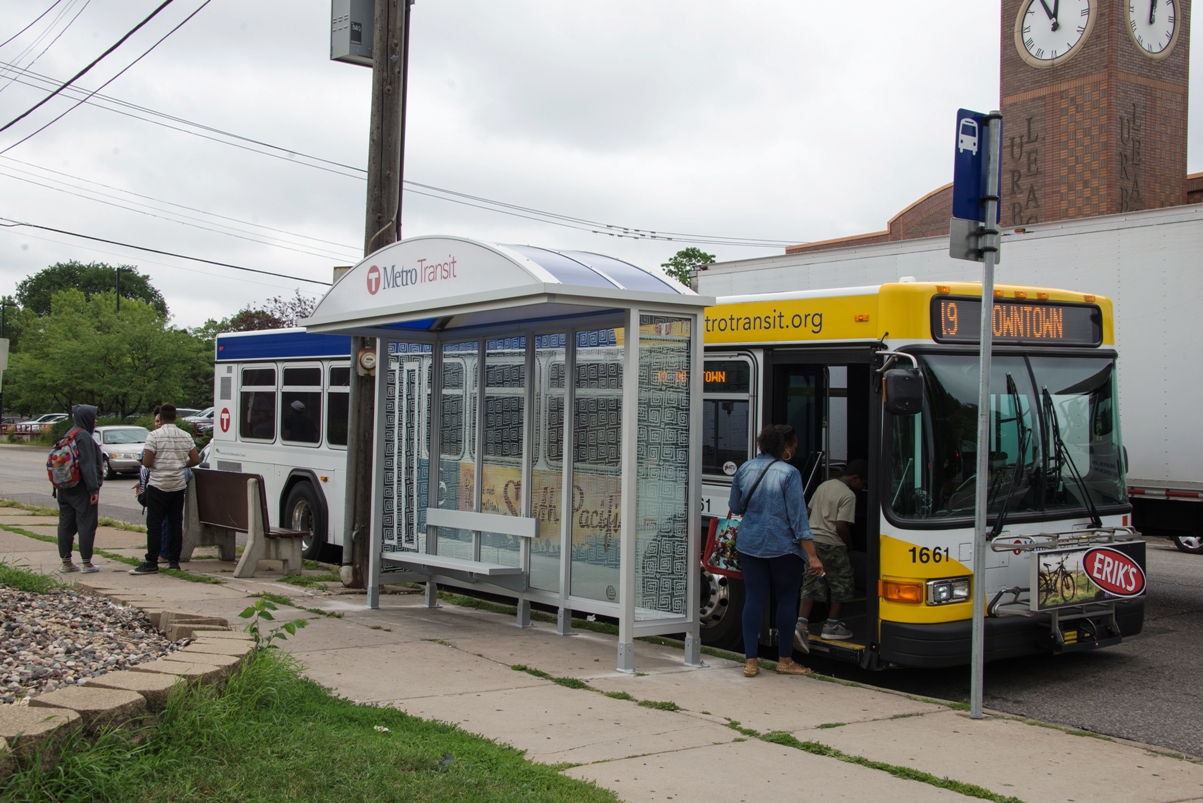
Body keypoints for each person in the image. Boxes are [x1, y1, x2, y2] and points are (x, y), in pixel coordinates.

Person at [729, 424, 824, 678]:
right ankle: (784, 661)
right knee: (786, 601)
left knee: (754, 599)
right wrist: (812, 555)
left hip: (749, 544)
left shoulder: (745, 469)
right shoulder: (789, 474)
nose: (795, 449)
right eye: (793, 445)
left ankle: (751, 662)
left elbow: (736, 506)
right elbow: (798, 518)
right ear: (785, 448)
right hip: (784, 549)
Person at [796, 459, 868, 648]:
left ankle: (801, 624)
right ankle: (832, 626)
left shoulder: (824, 485)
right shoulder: (848, 495)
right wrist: (848, 544)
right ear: (855, 478)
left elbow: (807, 511)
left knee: (812, 581)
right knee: (842, 583)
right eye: (863, 483)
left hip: (812, 542)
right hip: (832, 544)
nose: (863, 487)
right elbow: (841, 526)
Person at [129, 404, 199, 575]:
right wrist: (182, 464)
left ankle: (151, 560)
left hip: (158, 484)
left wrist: (157, 464)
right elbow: (195, 459)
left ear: (160, 416)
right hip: (177, 485)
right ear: (176, 417)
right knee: (175, 523)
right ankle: (174, 560)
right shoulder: (185, 436)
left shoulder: (154, 436)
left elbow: (146, 462)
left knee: (154, 524)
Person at [56, 405, 103, 574]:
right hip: (82, 489)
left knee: (65, 524)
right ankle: (87, 563)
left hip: (65, 487)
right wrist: (93, 489)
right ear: (86, 418)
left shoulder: (69, 434)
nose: (96, 420)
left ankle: (66, 562)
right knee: (86, 524)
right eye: (94, 417)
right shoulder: (83, 436)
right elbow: (88, 465)